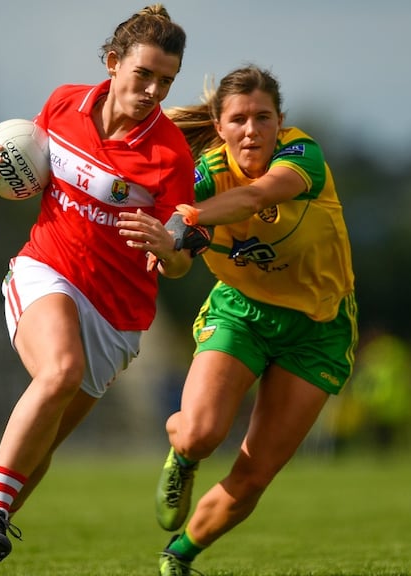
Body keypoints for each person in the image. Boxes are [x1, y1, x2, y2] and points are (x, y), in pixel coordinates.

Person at [0, 5, 196, 575]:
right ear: (112, 63)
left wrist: (168, 247)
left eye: (166, 81)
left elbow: (179, 265)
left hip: (118, 316)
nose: (153, 90)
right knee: (59, 371)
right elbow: (15, 153)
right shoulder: (63, 104)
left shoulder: (170, 155)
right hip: (45, 270)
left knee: (44, 444)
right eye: (143, 75)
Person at [153, 65, 358, 576]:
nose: (251, 130)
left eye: (262, 117)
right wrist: (170, 248)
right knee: (200, 434)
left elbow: (258, 196)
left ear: (280, 121)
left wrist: (189, 220)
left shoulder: (301, 154)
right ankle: (182, 454)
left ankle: (179, 557)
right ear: (220, 128)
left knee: (253, 476)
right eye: (239, 119)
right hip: (242, 312)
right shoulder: (200, 177)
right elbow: (176, 267)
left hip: (319, 327)